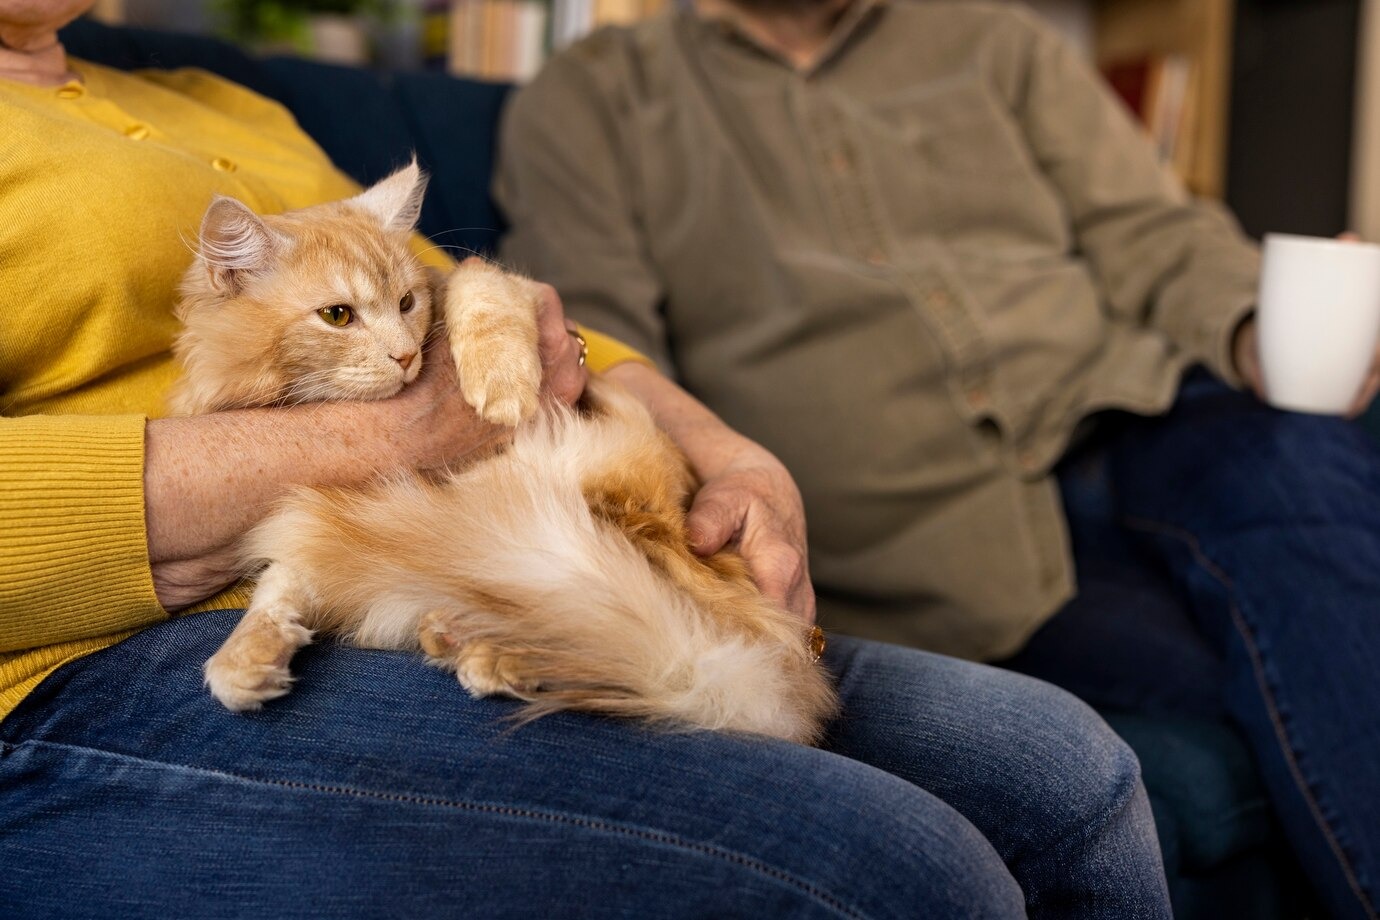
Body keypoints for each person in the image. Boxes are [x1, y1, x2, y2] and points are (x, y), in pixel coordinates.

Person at [0, 1, 1173, 915]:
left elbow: (472, 310)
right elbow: (415, 397)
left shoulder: (221, 103)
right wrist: (386, 435)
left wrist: (732, 453)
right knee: (902, 872)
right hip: (89, 664)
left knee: (1067, 771)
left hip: (442, 535)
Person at [493, 0, 1380, 917]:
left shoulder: (998, 43)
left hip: (1134, 412)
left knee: (1302, 459)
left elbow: (1153, 231)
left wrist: (1256, 329)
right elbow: (603, 355)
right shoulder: (591, 99)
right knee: (1306, 667)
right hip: (937, 540)